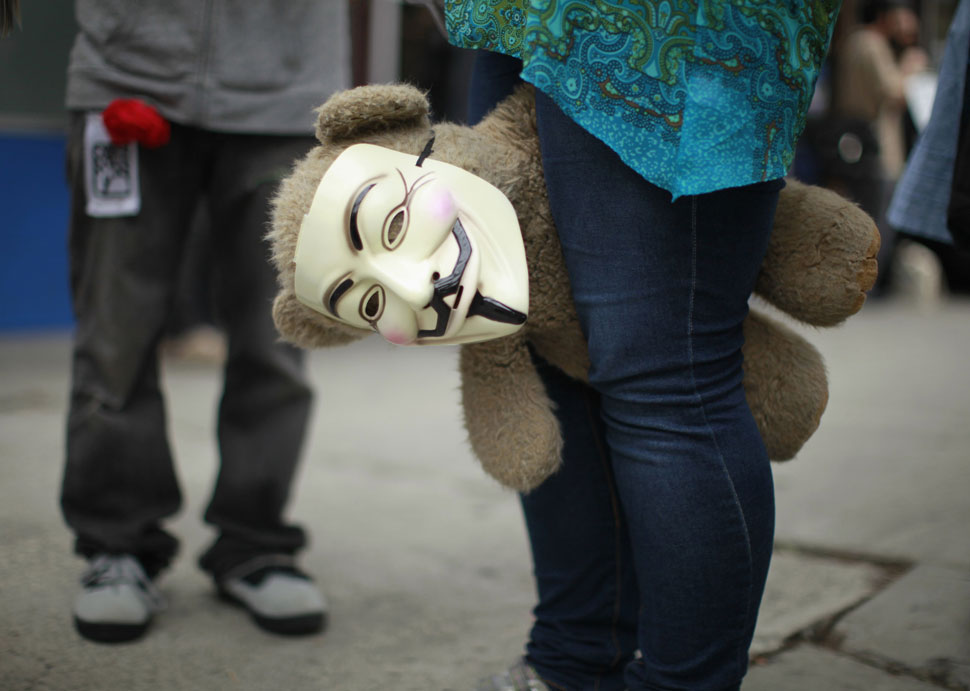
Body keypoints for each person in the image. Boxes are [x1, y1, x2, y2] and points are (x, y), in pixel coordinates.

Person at [445, 2, 840, 689]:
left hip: (667, 22)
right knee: (530, 317)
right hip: (515, 14)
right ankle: (572, 660)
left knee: (668, 376)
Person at [60, 1, 349, 643]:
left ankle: (256, 543)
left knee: (277, 339)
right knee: (115, 338)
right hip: (126, 76)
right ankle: (118, 544)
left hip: (285, 92)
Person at [833, 0, 928, 290]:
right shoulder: (871, 44)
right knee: (879, 218)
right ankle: (868, 287)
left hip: (857, 144)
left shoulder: (854, 40)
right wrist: (911, 67)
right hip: (876, 146)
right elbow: (893, 91)